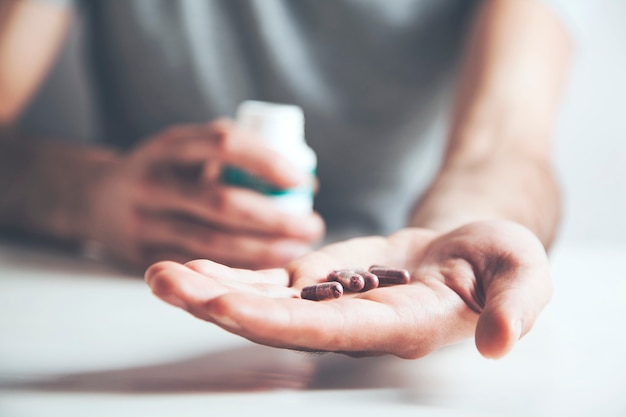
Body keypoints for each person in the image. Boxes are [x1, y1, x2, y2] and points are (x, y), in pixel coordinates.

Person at [0, 0, 571, 359]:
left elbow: (502, 146)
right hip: (105, 293)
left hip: (398, 266)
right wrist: (88, 196)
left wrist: (455, 235)